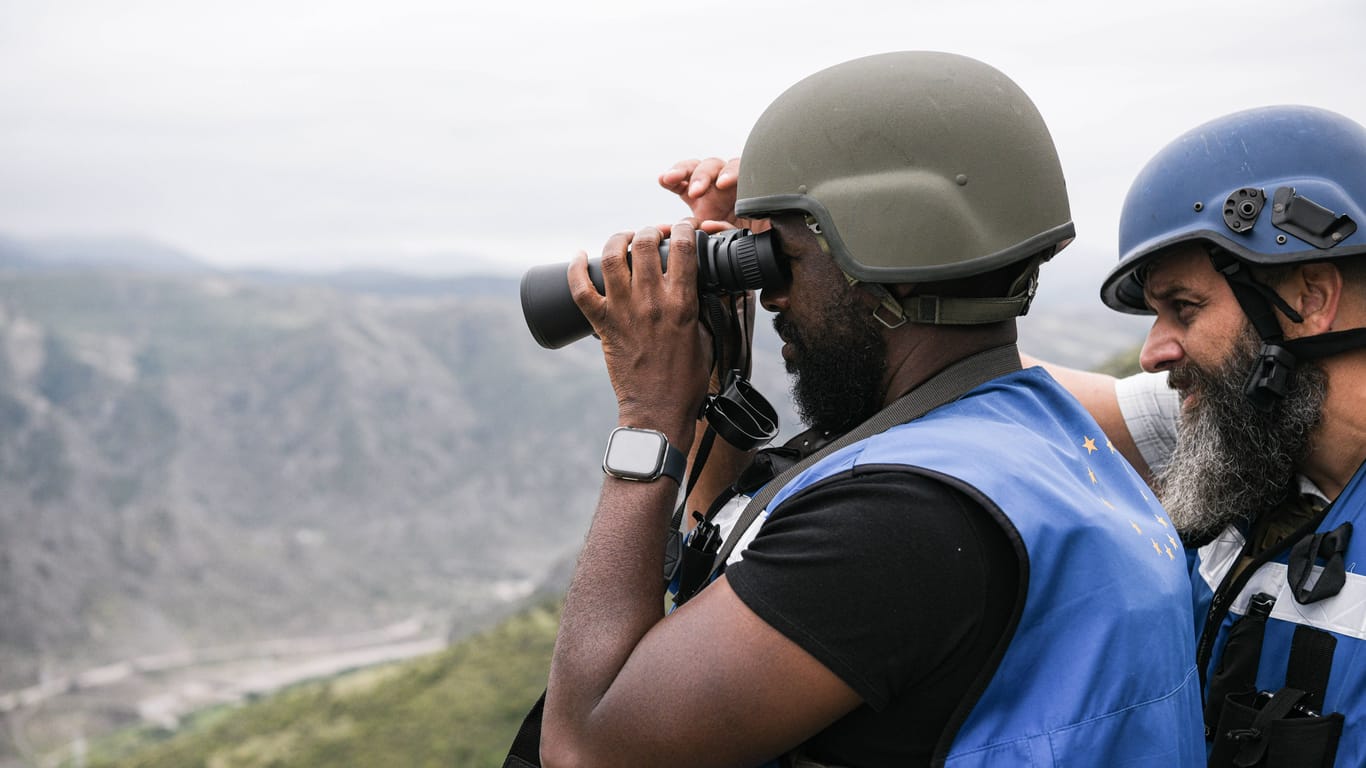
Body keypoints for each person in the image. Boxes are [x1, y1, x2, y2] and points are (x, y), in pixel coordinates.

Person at [536, 51, 1204, 768]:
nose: (772, 295)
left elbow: (586, 746)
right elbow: (727, 533)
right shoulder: (1043, 440)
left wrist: (648, 415)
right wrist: (705, 383)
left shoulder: (900, 523)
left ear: (887, 256)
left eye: (782, 257)